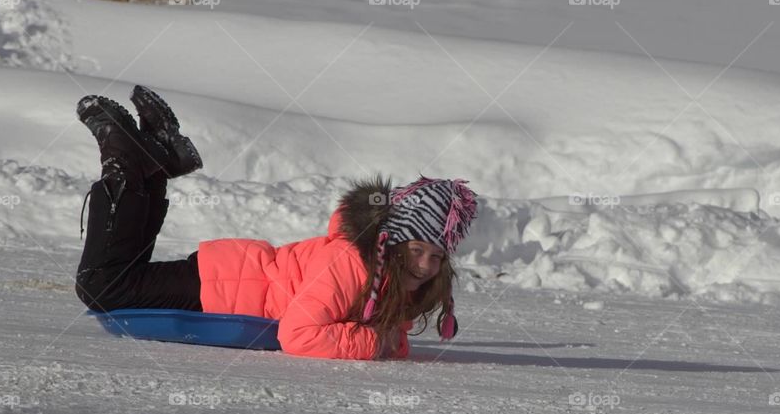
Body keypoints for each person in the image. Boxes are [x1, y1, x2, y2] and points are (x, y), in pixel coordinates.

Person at [74, 87, 479, 360]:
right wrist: (376, 341)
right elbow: (299, 335)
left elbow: (389, 334)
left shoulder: (388, 280)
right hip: (226, 289)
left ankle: (154, 165)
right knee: (101, 286)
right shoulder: (354, 265)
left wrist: (391, 338)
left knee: (120, 279)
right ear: (392, 243)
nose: (425, 265)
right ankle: (126, 164)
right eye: (417, 250)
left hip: (232, 279)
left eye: (436, 255)